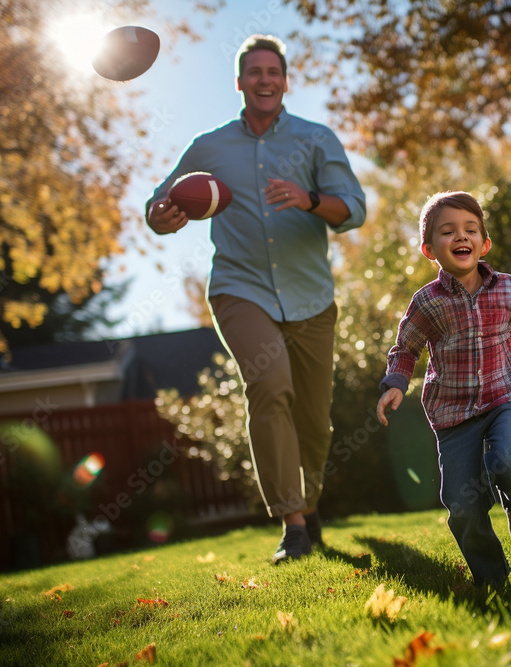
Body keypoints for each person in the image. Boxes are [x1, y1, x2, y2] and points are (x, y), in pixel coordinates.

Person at [145, 35, 366, 564]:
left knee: (315, 421)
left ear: (284, 81)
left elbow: (354, 209)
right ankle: (293, 525)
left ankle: (308, 503)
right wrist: (160, 216)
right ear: (239, 82)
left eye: (273, 72)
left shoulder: (316, 139)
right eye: (254, 72)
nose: (264, 80)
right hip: (239, 290)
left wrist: (308, 199)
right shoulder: (210, 147)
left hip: (310, 298)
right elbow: (161, 201)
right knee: (269, 387)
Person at [376, 191, 511, 590]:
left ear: (484, 244)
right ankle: (493, 582)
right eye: (448, 231)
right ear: (429, 249)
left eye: (470, 230)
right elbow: (405, 348)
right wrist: (396, 383)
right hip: (453, 414)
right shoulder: (427, 302)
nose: (461, 236)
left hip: (503, 399)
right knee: (462, 507)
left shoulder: (506, 288)